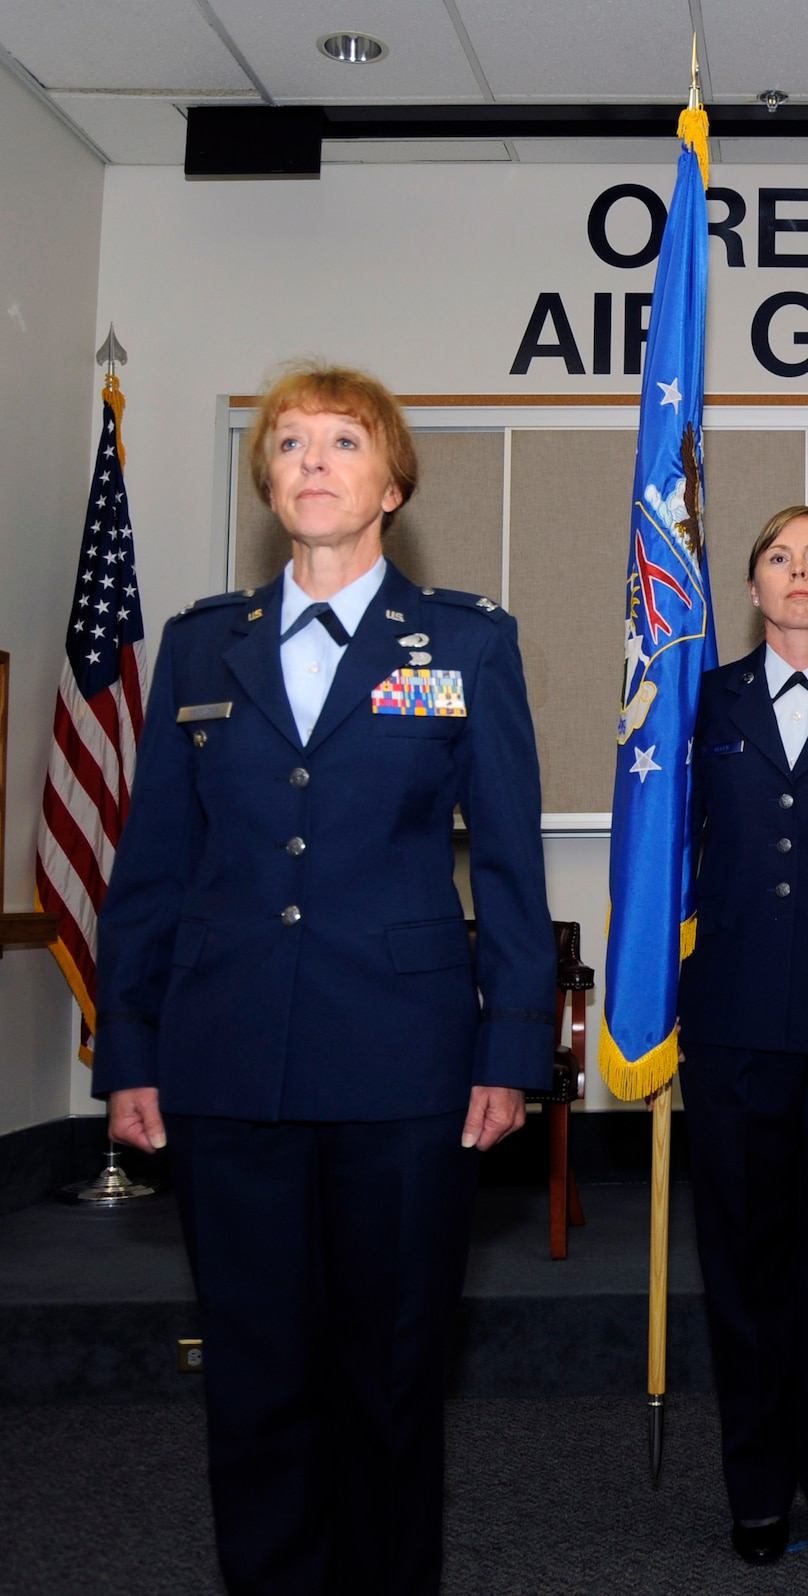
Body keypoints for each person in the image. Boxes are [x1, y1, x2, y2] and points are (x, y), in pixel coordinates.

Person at [92, 362, 555, 1596]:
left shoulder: (464, 641)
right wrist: (127, 1051)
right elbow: (150, 872)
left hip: (404, 1069)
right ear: (267, 480)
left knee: (390, 1377)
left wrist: (512, 1051)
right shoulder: (201, 647)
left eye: (342, 442)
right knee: (253, 1377)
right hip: (225, 1060)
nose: (309, 460)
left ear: (389, 483)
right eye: (288, 442)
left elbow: (509, 864)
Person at [677, 506, 808, 1565]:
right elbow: (663, 855)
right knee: (744, 1265)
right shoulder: (698, 701)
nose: (796, 574)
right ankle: (755, 1481)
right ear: (751, 589)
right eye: (776, 558)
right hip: (732, 1030)